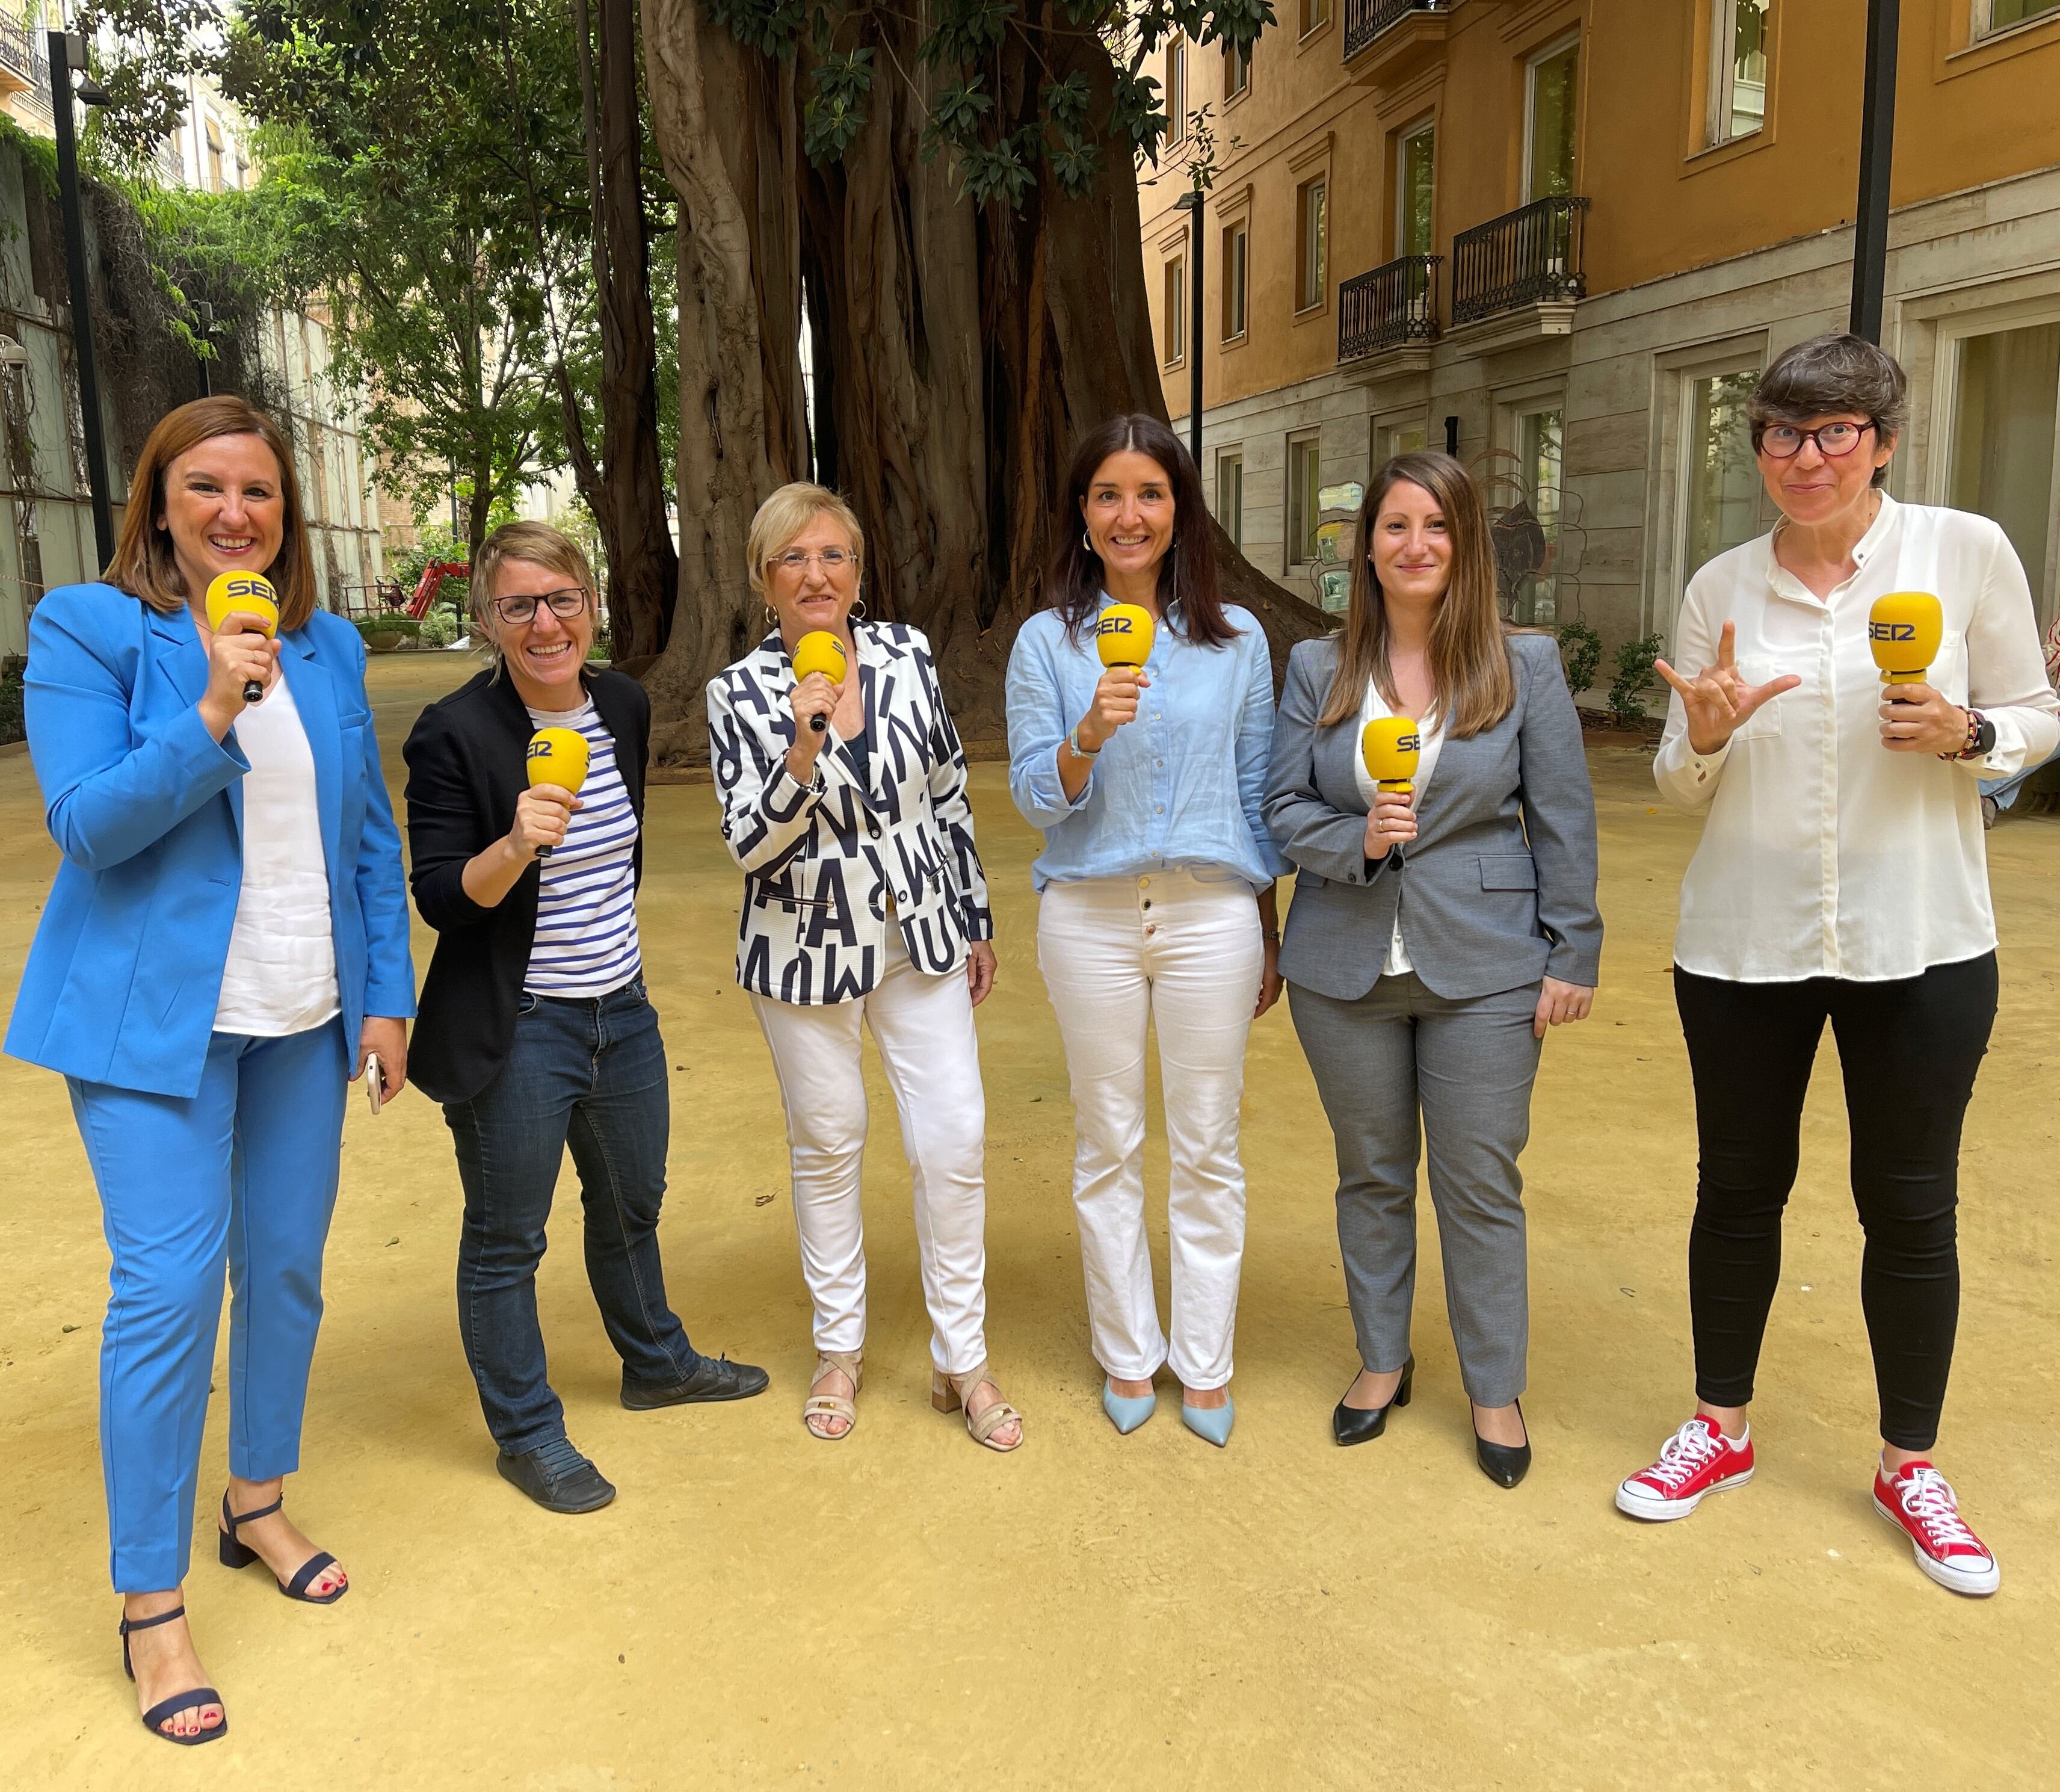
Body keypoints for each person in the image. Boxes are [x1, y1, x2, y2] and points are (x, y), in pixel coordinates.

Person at [1616, 334, 2059, 1596]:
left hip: (1917, 936)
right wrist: (1697, 739)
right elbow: (1672, 778)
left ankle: (1906, 1462)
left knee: (1909, 1203)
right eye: (1777, 435)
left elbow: (2035, 715)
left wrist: (1970, 731)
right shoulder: (1719, 584)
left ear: (1881, 439)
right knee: (1735, 1187)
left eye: (1831, 433)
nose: (1802, 459)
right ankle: (1720, 1426)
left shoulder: (1961, 551)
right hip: (1742, 941)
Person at [5, 396, 415, 1744]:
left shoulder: (332, 647)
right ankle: (151, 1601)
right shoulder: (88, 630)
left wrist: (385, 995)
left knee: (286, 1265)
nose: (235, 511)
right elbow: (90, 826)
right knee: (169, 1290)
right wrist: (213, 706)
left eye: (259, 490)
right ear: (158, 501)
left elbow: (364, 836)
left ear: (284, 513)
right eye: (205, 487)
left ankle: (255, 1497)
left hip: (304, 1016)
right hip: (148, 1031)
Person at [403, 522, 767, 1514]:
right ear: (486, 619)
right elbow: (440, 896)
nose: (545, 622)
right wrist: (515, 842)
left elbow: (622, 859)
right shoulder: (455, 731)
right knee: (508, 1239)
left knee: (631, 1203)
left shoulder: (623, 702)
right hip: (517, 1024)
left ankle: (655, 1361)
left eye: (562, 598)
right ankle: (527, 1432)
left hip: (623, 1008)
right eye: (518, 605)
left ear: (592, 605)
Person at [1262, 453, 1600, 1485]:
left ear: (1466, 546)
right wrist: (1353, 840)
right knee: (1370, 1175)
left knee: (1479, 1182)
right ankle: (1381, 1360)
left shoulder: (1523, 664)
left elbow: (1563, 814)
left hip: (1489, 964)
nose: (1417, 545)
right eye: (1397, 525)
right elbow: (1279, 811)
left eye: (1438, 526)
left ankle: (1494, 1385)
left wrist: (1573, 947)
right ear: (1364, 545)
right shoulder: (1319, 669)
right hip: (1343, 964)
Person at [706, 484, 1019, 1452]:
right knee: (829, 1142)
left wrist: (972, 914)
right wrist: (802, 742)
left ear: (858, 571)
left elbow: (948, 789)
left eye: (834, 555)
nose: (817, 574)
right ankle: (838, 1347)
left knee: (954, 1138)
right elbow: (751, 846)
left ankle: (960, 1357)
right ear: (767, 579)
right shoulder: (736, 693)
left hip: (920, 932)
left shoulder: (908, 655)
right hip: (802, 952)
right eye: (794, 558)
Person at [1005, 414, 1287, 1448]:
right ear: (1082, 516)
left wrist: (1269, 921)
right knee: (1108, 1137)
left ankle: (1203, 1360)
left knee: (1209, 1143)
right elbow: (1039, 798)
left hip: (1214, 914)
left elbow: (1258, 789)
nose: (1130, 515)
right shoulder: (1049, 641)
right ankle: (1129, 1348)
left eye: (1150, 494)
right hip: (1089, 916)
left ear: (1180, 510)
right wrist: (1086, 734)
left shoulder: (1240, 639)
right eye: (1108, 496)